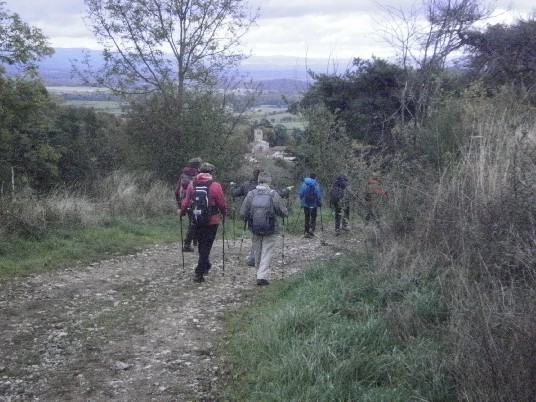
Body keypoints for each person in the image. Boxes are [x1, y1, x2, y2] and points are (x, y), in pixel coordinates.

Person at [231, 168, 291, 266]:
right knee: (266, 238)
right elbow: (279, 195)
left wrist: (232, 186)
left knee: (256, 237)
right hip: (268, 218)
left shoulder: (246, 185)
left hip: (252, 217)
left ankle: (254, 258)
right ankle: (260, 262)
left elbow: (234, 193)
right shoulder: (269, 188)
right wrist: (287, 190)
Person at [180, 162, 227, 283]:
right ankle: (199, 272)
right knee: (206, 245)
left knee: (201, 244)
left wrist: (182, 211)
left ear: (199, 171)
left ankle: (206, 264)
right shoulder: (215, 185)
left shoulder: (192, 184)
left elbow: (186, 200)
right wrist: (224, 212)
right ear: (211, 172)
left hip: (196, 219)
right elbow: (221, 203)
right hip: (212, 220)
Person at [240, 171, 288, 286]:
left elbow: (243, 212)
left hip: (254, 227)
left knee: (257, 250)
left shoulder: (251, 194)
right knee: (267, 251)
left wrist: (247, 219)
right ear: (269, 181)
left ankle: (258, 272)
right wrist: (285, 213)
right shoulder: (273, 194)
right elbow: (282, 212)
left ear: (258, 181)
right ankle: (261, 276)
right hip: (270, 227)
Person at [175, 157, 202, 252]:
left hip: (185, 201)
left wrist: (179, 204)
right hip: (196, 201)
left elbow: (177, 190)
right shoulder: (199, 176)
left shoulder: (183, 175)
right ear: (198, 165)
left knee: (192, 220)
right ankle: (188, 243)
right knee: (195, 222)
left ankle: (193, 241)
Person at [298, 173, 322, 238]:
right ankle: (312, 229)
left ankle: (306, 232)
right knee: (313, 217)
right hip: (314, 204)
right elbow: (318, 194)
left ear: (309, 176)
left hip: (306, 203)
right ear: (315, 177)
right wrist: (319, 202)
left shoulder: (304, 183)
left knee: (307, 217)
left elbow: (301, 193)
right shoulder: (316, 184)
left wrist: (301, 200)